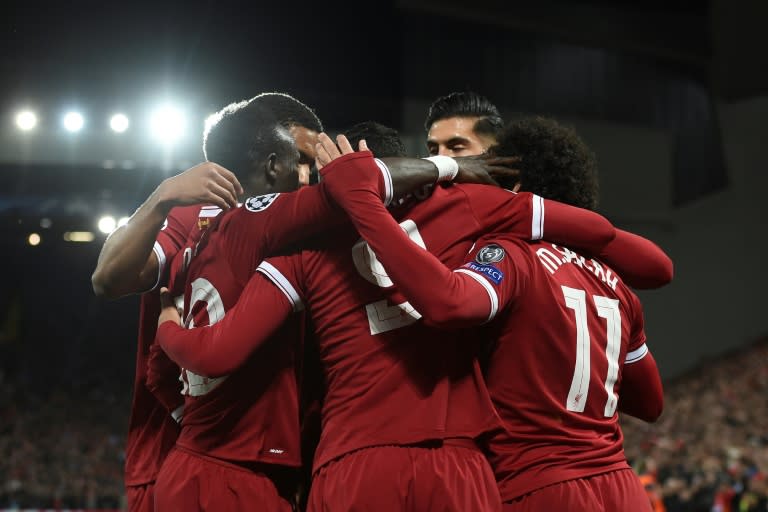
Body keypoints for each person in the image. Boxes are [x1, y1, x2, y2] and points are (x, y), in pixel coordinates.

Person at [154, 122, 627, 511]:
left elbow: (220, 350)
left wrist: (169, 321)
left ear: (329, 177)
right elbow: (630, 248)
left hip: (354, 464)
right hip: (458, 465)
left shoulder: (301, 251)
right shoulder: (469, 217)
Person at [315, 116, 665, 511]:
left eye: (458, 150)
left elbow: (450, 303)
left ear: (509, 184)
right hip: (622, 485)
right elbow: (651, 404)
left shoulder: (506, 255)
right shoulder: (615, 283)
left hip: (538, 486)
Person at [90, 91, 321, 512]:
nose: (307, 177)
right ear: (270, 154)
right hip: (174, 452)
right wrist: (162, 196)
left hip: (267, 462)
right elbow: (108, 279)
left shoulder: (301, 228)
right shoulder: (196, 211)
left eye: (315, 167)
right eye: (300, 160)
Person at [424, 90, 673, 288]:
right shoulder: (417, 206)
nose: (440, 160)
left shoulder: (515, 215)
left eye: (456, 148)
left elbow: (659, 268)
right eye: (433, 150)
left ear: (497, 155)